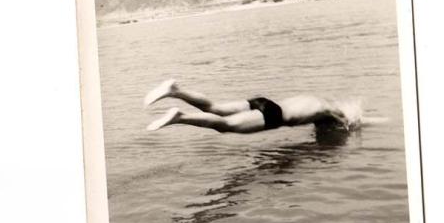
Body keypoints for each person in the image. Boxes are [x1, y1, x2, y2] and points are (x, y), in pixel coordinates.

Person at [143, 78, 361, 134]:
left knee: (214, 107)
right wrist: (351, 124)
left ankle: (176, 90)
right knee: (224, 125)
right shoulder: (328, 112)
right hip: (275, 116)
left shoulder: (316, 100)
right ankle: (180, 117)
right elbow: (346, 124)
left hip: (266, 102)